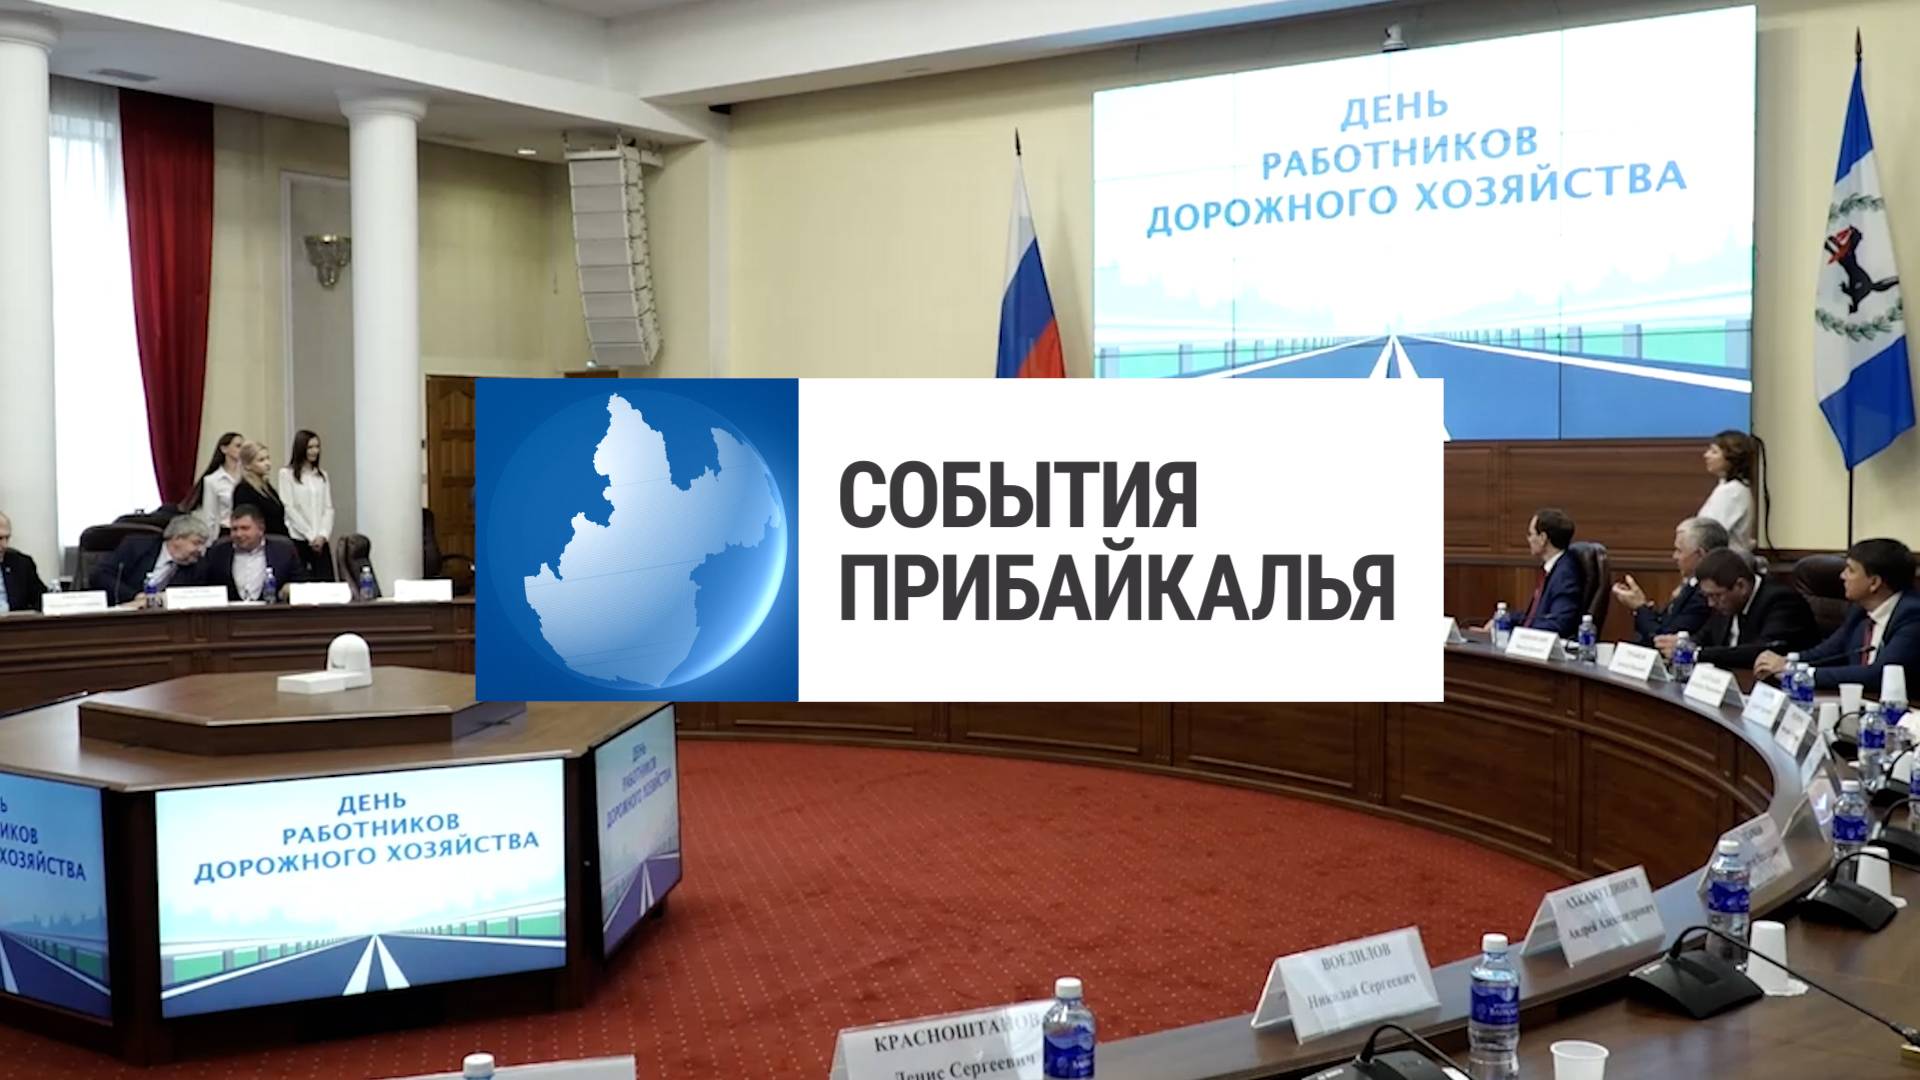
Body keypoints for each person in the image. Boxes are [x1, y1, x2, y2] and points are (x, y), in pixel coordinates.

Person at [1754, 538, 1920, 691]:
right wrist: (1787, 660)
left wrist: (1796, 672)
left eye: (1851, 570)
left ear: (1874, 582)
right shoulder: (1860, 610)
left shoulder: (1913, 616)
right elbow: (1829, 651)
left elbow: (1879, 675)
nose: (1842, 576)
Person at [1664, 548, 1818, 670]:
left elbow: (1762, 652)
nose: (1711, 603)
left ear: (1741, 586)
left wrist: (1696, 654)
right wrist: (1682, 644)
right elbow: (1706, 637)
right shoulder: (1725, 602)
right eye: (1707, 596)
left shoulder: (1781, 601)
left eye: (1716, 596)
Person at [1612, 516, 1729, 646]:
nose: (1674, 556)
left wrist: (1640, 607)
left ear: (1700, 555)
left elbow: (1664, 640)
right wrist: (1643, 607)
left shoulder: (1706, 595)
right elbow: (1665, 625)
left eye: (1679, 551)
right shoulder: (1691, 585)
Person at [1479, 508, 1583, 638]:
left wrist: (1517, 633)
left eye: (1531, 534)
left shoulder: (1565, 574)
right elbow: (1535, 617)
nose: (1528, 539)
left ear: (1543, 538)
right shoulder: (1553, 569)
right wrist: (1506, 618)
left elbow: (1559, 622)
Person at [97, 514, 212, 605]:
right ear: (177, 538)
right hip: (122, 610)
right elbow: (101, 575)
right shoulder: (136, 546)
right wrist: (135, 596)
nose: (201, 550)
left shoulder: (199, 566)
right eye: (196, 543)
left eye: (203, 545)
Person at [201, 505, 302, 602]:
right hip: (230, 611)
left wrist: (290, 589)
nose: (239, 534)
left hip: (272, 610)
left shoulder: (283, 550)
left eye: (245, 528)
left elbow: (301, 582)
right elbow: (204, 585)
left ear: (261, 529)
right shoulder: (218, 551)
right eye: (234, 529)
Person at [280, 429, 336, 582]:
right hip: (299, 539)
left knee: (326, 582)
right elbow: (289, 508)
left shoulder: (322, 475)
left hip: (321, 540)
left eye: (317, 447)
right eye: (310, 447)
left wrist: (322, 535)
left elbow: (328, 508)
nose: (315, 451)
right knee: (303, 584)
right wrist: (310, 535)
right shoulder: (286, 474)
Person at [1698, 430, 1757, 551]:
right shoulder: (1729, 488)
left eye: (1714, 452)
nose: (1706, 455)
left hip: (1723, 559)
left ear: (1731, 458)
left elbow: (1712, 535)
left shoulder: (1732, 491)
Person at [180, 432, 245, 534]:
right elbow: (210, 516)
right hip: (226, 530)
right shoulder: (212, 480)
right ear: (224, 449)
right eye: (238, 446)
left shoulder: (247, 477)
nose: (242, 450)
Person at [231, 441, 289, 540]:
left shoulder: (266, 487)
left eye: (268, 458)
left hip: (279, 540)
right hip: (261, 542)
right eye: (261, 460)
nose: (268, 464)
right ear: (248, 465)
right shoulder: (243, 490)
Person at [0, 512, 47, 614]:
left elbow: (42, 600)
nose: (4, 545)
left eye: (7, 538)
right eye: (0, 538)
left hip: (15, 622)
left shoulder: (22, 564)